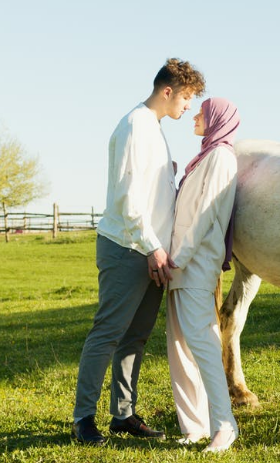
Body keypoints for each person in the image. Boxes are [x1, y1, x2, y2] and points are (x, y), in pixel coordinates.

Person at [71, 58, 206, 446]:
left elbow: (152, 194)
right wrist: (151, 248)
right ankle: (83, 419)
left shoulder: (155, 129)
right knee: (108, 332)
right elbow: (129, 199)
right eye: (186, 97)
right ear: (167, 91)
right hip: (128, 248)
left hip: (153, 252)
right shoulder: (134, 125)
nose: (188, 106)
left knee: (136, 338)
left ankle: (123, 415)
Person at [166, 97, 240, 452]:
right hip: (179, 264)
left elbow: (206, 214)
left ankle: (225, 425)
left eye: (202, 112)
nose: (194, 116)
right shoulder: (203, 158)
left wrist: (177, 257)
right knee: (179, 346)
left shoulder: (222, 157)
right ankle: (195, 426)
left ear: (215, 120)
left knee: (204, 345)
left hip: (195, 262)